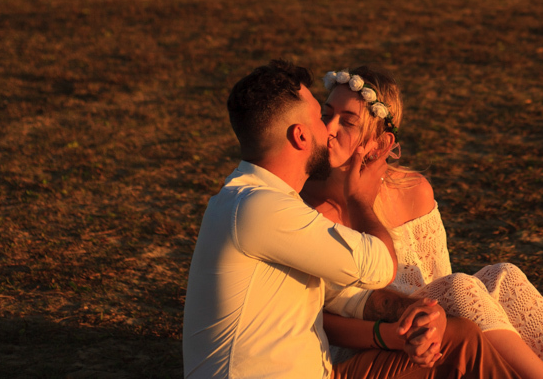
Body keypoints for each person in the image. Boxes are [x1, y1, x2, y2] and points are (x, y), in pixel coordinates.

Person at [182, 59, 525, 379]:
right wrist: (360, 199)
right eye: (321, 117)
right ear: (300, 136)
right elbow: (378, 265)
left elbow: (345, 298)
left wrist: (420, 315)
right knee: (459, 339)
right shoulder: (260, 209)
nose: (329, 130)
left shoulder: (258, 200)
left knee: (456, 335)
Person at [303, 66, 543, 379]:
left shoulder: (414, 191)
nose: (328, 128)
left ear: (381, 144)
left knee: (503, 276)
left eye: (347, 121)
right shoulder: (310, 207)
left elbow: (437, 283)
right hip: (366, 345)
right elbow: (321, 316)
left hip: (432, 332)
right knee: (458, 287)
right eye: (326, 115)